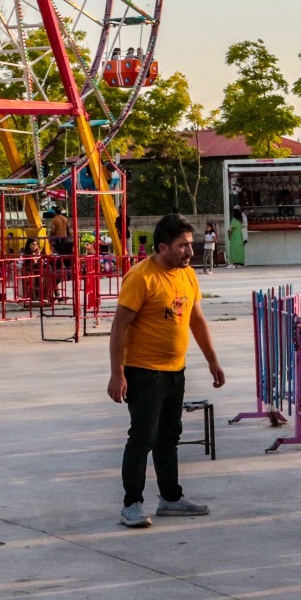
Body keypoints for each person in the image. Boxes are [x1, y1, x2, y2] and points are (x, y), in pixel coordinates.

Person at [107, 213, 224, 528]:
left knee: (169, 437)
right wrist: (117, 373)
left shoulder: (187, 275)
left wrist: (212, 361)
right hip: (144, 373)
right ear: (162, 247)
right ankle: (132, 504)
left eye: (190, 244)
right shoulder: (141, 278)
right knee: (143, 438)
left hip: (175, 371)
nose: (190, 251)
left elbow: (196, 320)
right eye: (182, 245)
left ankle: (171, 498)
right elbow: (119, 327)